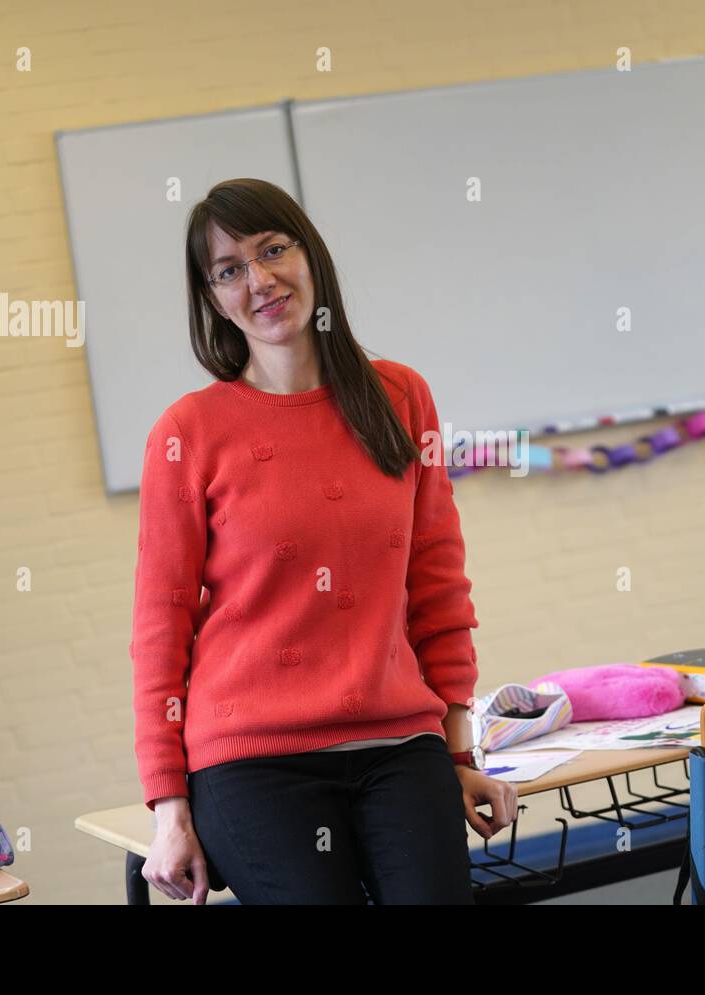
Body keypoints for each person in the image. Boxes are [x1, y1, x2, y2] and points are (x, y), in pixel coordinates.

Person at [130, 177, 516, 905]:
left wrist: (459, 750)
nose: (261, 280)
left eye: (274, 249)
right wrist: (169, 809)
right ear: (213, 298)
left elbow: (437, 583)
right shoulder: (188, 432)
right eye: (230, 269)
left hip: (400, 743)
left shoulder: (400, 396)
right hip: (253, 762)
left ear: (312, 257)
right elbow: (160, 626)